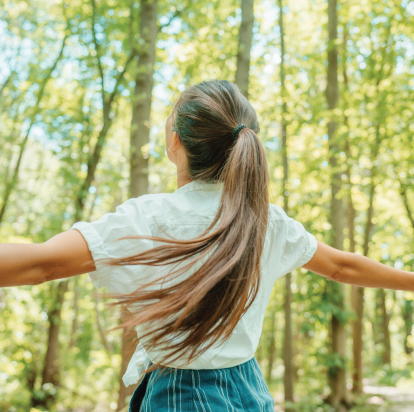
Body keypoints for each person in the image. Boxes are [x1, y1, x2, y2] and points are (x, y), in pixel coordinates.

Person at [2, 80, 414, 411]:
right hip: (249, 390)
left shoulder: (145, 219)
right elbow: (343, 267)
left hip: (177, 395)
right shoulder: (266, 220)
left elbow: (42, 264)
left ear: (175, 142)